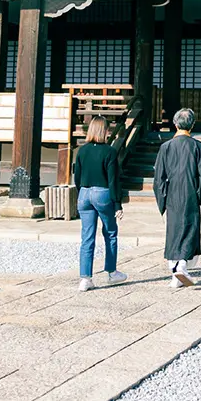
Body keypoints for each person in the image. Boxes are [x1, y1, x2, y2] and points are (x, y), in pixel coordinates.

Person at [152, 107, 201, 288]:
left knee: (173, 230)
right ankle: (181, 266)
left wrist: (162, 198)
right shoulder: (199, 148)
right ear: (193, 125)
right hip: (191, 195)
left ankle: (176, 268)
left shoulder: (165, 147)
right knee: (189, 229)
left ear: (174, 124)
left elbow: (159, 179)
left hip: (172, 195)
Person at [73, 115, 127, 292]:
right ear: (104, 131)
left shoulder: (82, 150)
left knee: (87, 237)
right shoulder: (109, 151)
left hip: (84, 193)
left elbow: (77, 176)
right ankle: (111, 272)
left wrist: (81, 192)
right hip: (102, 193)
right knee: (110, 232)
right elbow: (113, 180)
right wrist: (117, 203)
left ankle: (85, 278)